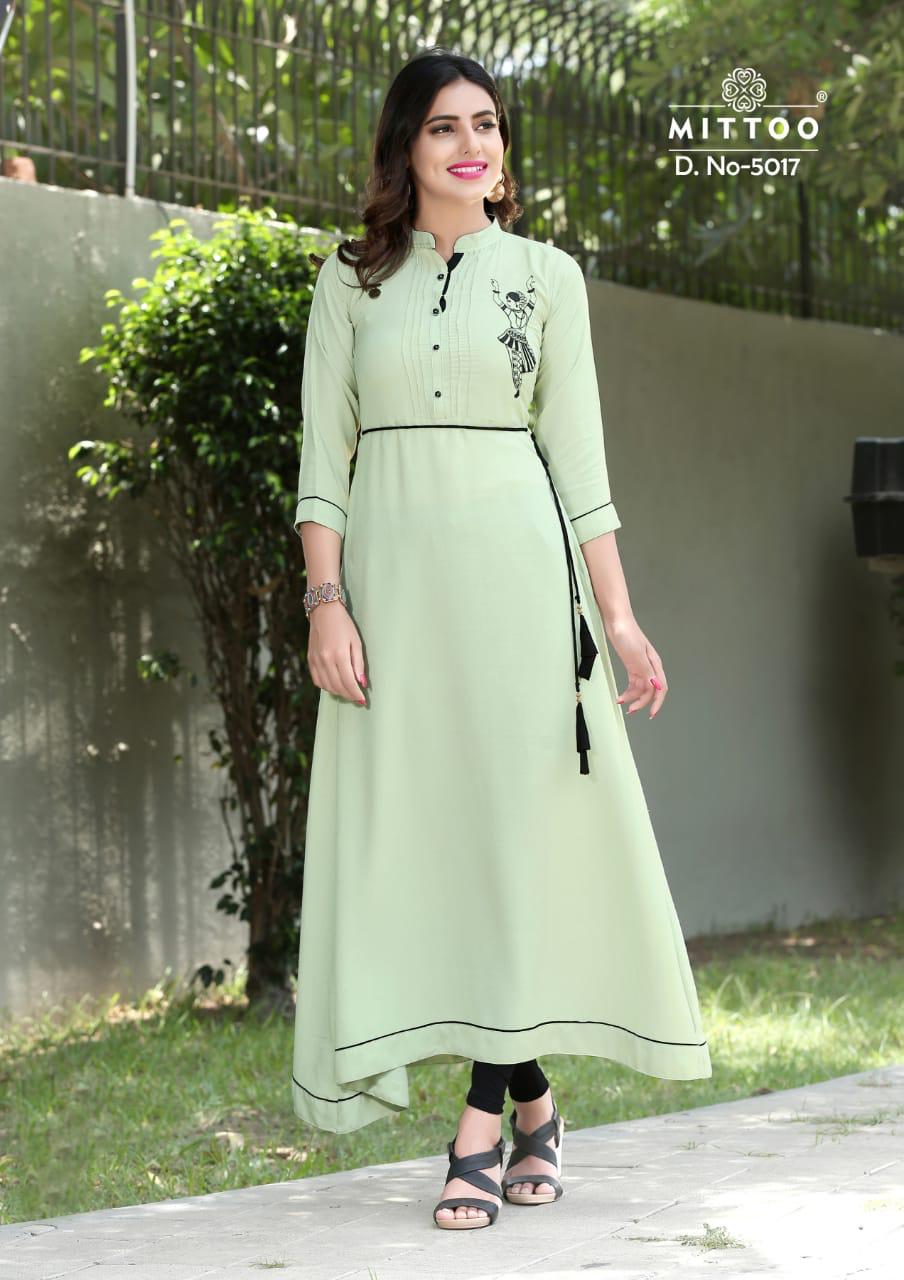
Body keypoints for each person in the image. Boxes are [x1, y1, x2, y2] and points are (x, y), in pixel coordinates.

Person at [290, 48, 712, 1231]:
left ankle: (477, 1125)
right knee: (441, 848)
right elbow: (323, 460)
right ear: (405, 147)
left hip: (524, 591)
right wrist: (326, 601)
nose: (472, 145)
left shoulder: (546, 276)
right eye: (444, 127)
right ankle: (535, 1102)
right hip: (395, 600)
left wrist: (617, 616)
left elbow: (579, 462)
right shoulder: (348, 281)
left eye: (487, 124)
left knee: (512, 845)